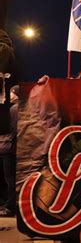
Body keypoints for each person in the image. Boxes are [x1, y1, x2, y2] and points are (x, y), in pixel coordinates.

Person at [0, 85, 18, 217]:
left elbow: (13, 129)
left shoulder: (15, 109)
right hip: (10, 147)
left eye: (11, 93)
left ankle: (11, 206)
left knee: (10, 178)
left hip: (9, 148)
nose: (9, 96)